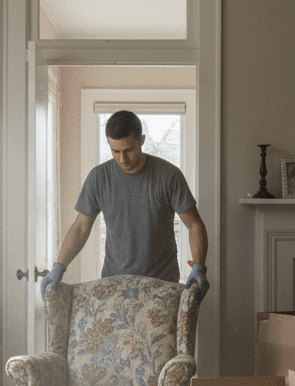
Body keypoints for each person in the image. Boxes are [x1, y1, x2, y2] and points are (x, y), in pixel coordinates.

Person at [40, 109, 210, 301]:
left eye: (129, 150)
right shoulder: (99, 178)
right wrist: (58, 267)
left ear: (142, 140)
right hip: (115, 284)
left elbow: (194, 224)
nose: (123, 159)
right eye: (116, 151)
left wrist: (199, 267)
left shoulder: (169, 175)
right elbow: (80, 227)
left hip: (161, 285)